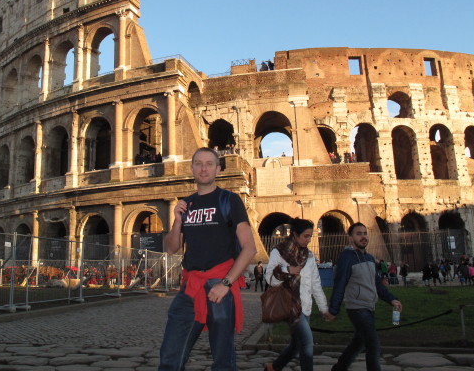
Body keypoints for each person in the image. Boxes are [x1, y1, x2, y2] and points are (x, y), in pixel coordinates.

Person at [158, 147, 257, 371]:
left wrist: (226, 284)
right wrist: (177, 221)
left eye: (209, 164)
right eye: (199, 164)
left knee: (223, 360)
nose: (204, 168)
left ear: (218, 169)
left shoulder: (229, 200)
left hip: (219, 285)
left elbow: (249, 248)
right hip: (190, 287)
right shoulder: (186, 204)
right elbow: (172, 248)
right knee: (170, 356)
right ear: (192, 168)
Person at [328, 223, 402, 371]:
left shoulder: (369, 258)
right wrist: (333, 309)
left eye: (365, 233)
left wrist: (391, 299)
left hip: (369, 306)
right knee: (373, 344)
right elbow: (340, 283)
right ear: (351, 238)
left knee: (359, 342)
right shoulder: (346, 257)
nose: (363, 237)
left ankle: (339, 368)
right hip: (356, 307)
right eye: (359, 234)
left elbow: (377, 284)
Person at [263, 219, 332, 371]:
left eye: (310, 236)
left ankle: (273, 367)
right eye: (306, 236)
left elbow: (315, 283)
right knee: (307, 343)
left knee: (296, 345)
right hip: (289, 305)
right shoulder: (278, 251)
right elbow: (269, 278)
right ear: (295, 234)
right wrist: (288, 270)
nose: (308, 240)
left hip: (305, 306)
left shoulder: (310, 256)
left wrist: (323, 308)